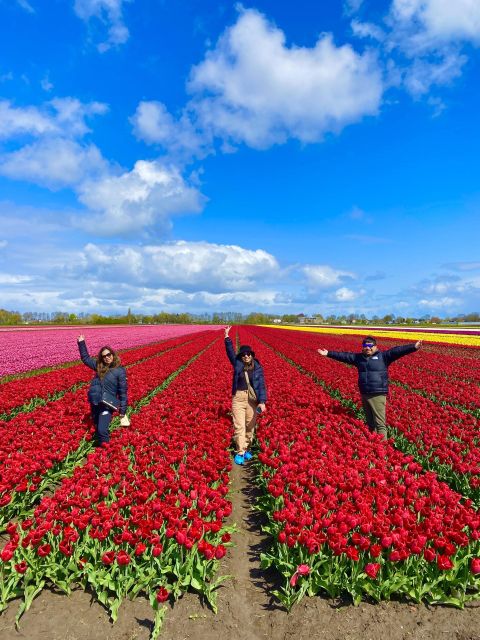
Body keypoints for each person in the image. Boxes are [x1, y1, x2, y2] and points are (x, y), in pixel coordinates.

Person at [317, 335, 421, 438]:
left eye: (370, 346)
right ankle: (374, 445)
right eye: (365, 346)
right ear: (362, 347)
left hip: (377, 394)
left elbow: (398, 351)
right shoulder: (358, 358)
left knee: (380, 423)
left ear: (376, 347)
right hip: (365, 393)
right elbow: (344, 356)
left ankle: (383, 448)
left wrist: (413, 347)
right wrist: (328, 353)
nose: (368, 348)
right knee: (370, 423)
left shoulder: (383, 357)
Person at [224, 326, 267, 465]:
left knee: (250, 425)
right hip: (238, 397)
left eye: (248, 354)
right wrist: (227, 337)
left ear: (252, 355)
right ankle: (240, 451)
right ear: (240, 356)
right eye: (243, 354)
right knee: (239, 426)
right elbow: (230, 353)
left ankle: (247, 448)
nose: (246, 356)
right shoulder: (237, 364)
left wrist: (262, 401)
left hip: (252, 400)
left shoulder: (257, 367)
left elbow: (261, 385)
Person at [77, 335, 128, 446]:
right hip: (95, 402)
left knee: (102, 430)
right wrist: (81, 343)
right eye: (104, 356)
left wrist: (122, 411)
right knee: (97, 427)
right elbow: (85, 359)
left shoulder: (120, 371)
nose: (106, 357)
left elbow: (123, 392)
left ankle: (105, 454)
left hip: (107, 404)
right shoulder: (99, 367)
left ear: (113, 355)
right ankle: (101, 448)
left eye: (108, 355)